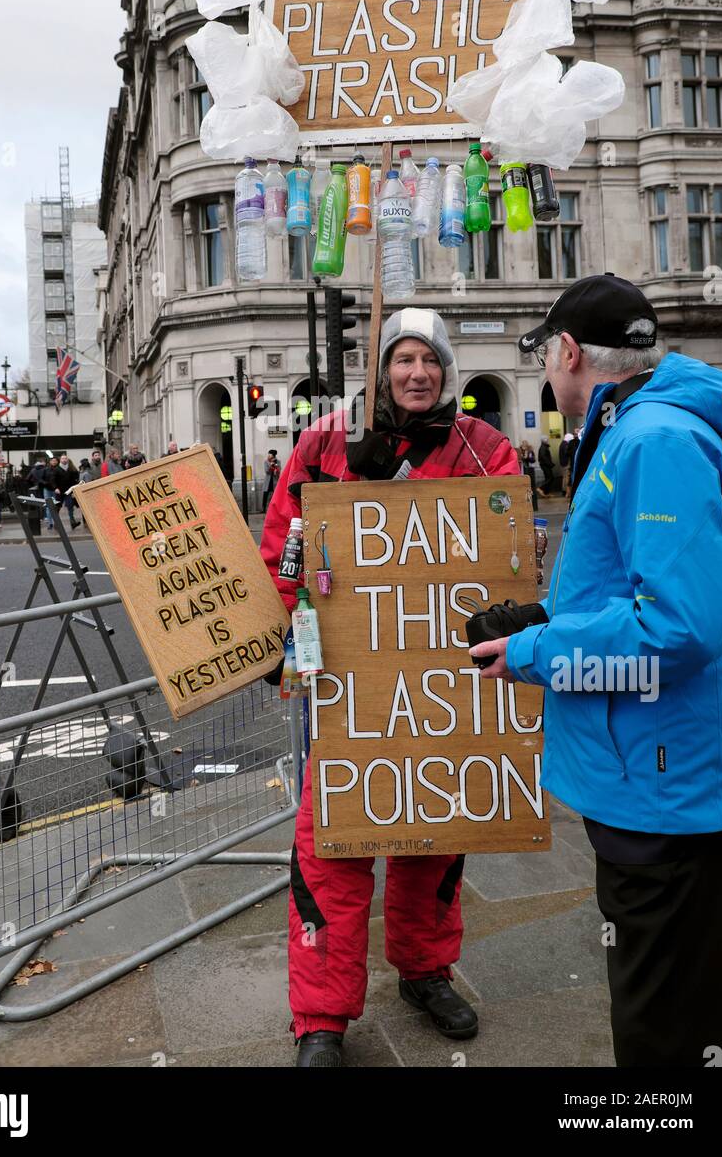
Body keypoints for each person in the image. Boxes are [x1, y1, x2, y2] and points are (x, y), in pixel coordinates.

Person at [470, 273, 722, 1069]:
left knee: (664, 1022)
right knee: (671, 1001)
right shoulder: (642, 429)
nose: (548, 377)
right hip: (649, 767)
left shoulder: (651, 440)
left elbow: (674, 629)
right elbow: (634, 591)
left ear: (565, 351)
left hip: (657, 779)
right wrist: (548, 621)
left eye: (545, 357)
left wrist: (532, 654)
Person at [261, 307, 520, 1068]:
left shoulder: (486, 449)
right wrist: (291, 636)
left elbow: (505, 557)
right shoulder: (323, 443)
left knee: (435, 836)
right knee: (331, 847)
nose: (418, 373)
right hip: (346, 684)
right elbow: (283, 553)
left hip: (443, 690)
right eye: (403, 359)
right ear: (381, 369)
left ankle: (426, 971)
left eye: (430, 361)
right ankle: (320, 1018)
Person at [44, 454, 81, 528]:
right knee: (57, 507)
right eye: (63, 458)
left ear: (67, 460)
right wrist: (55, 488)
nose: (64, 460)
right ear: (60, 460)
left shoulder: (71, 469)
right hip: (59, 491)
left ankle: (72, 522)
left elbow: (74, 480)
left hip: (68, 491)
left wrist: (75, 489)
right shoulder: (57, 469)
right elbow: (52, 480)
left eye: (65, 458)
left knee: (70, 506)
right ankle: (56, 523)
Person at [518, 439, 537, 510]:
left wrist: (528, 457)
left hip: (529, 470)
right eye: (523, 444)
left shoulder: (530, 451)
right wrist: (523, 457)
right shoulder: (519, 451)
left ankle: (533, 505)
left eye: (525, 444)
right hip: (522, 471)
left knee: (531, 487)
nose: (524, 446)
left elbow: (533, 459)